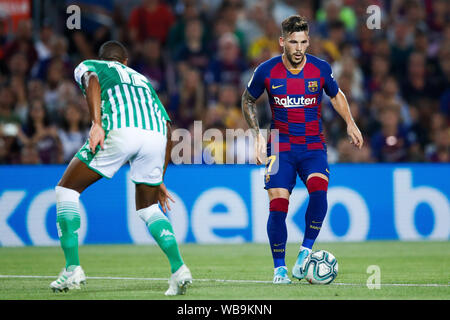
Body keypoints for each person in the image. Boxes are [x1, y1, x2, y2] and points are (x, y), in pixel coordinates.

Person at [49, 40, 192, 295]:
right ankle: (179, 268)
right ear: (126, 61)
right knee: (149, 208)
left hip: (121, 129)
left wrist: (96, 123)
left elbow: (92, 78)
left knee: (66, 191)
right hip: (156, 136)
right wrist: (159, 176)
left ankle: (72, 268)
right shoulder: (144, 81)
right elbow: (168, 127)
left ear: (105, 59)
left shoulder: (92, 65)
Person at [241, 15, 363, 284]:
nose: (299, 48)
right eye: (293, 42)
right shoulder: (266, 71)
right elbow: (248, 99)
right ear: (282, 42)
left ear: (308, 42)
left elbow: (336, 94)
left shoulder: (320, 69)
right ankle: (279, 270)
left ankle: (305, 253)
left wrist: (350, 123)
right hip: (280, 147)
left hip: (313, 146)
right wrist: (257, 136)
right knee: (278, 207)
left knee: (320, 192)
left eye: (304, 42)